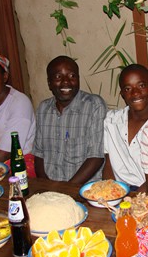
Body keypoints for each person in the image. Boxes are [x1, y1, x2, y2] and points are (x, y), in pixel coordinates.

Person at [33, 55, 107, 183]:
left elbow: (96, 157)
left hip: (82, 188)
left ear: (78, 79)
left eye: (72, 76)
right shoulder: (43, 109)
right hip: (50, 187)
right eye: (58, 77)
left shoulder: (94, 106)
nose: (66, 81)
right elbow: (39, 154)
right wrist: (45, 185)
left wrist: (66, 190)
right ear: (49, 83)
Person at [103, 64, 148, 191]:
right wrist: (111, 193)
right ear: (122, 94)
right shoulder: (111, 120)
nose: (135, 93)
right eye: (128, 88)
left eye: (141, 86)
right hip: (118, 191)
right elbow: (108, 164)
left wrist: (133, 199)